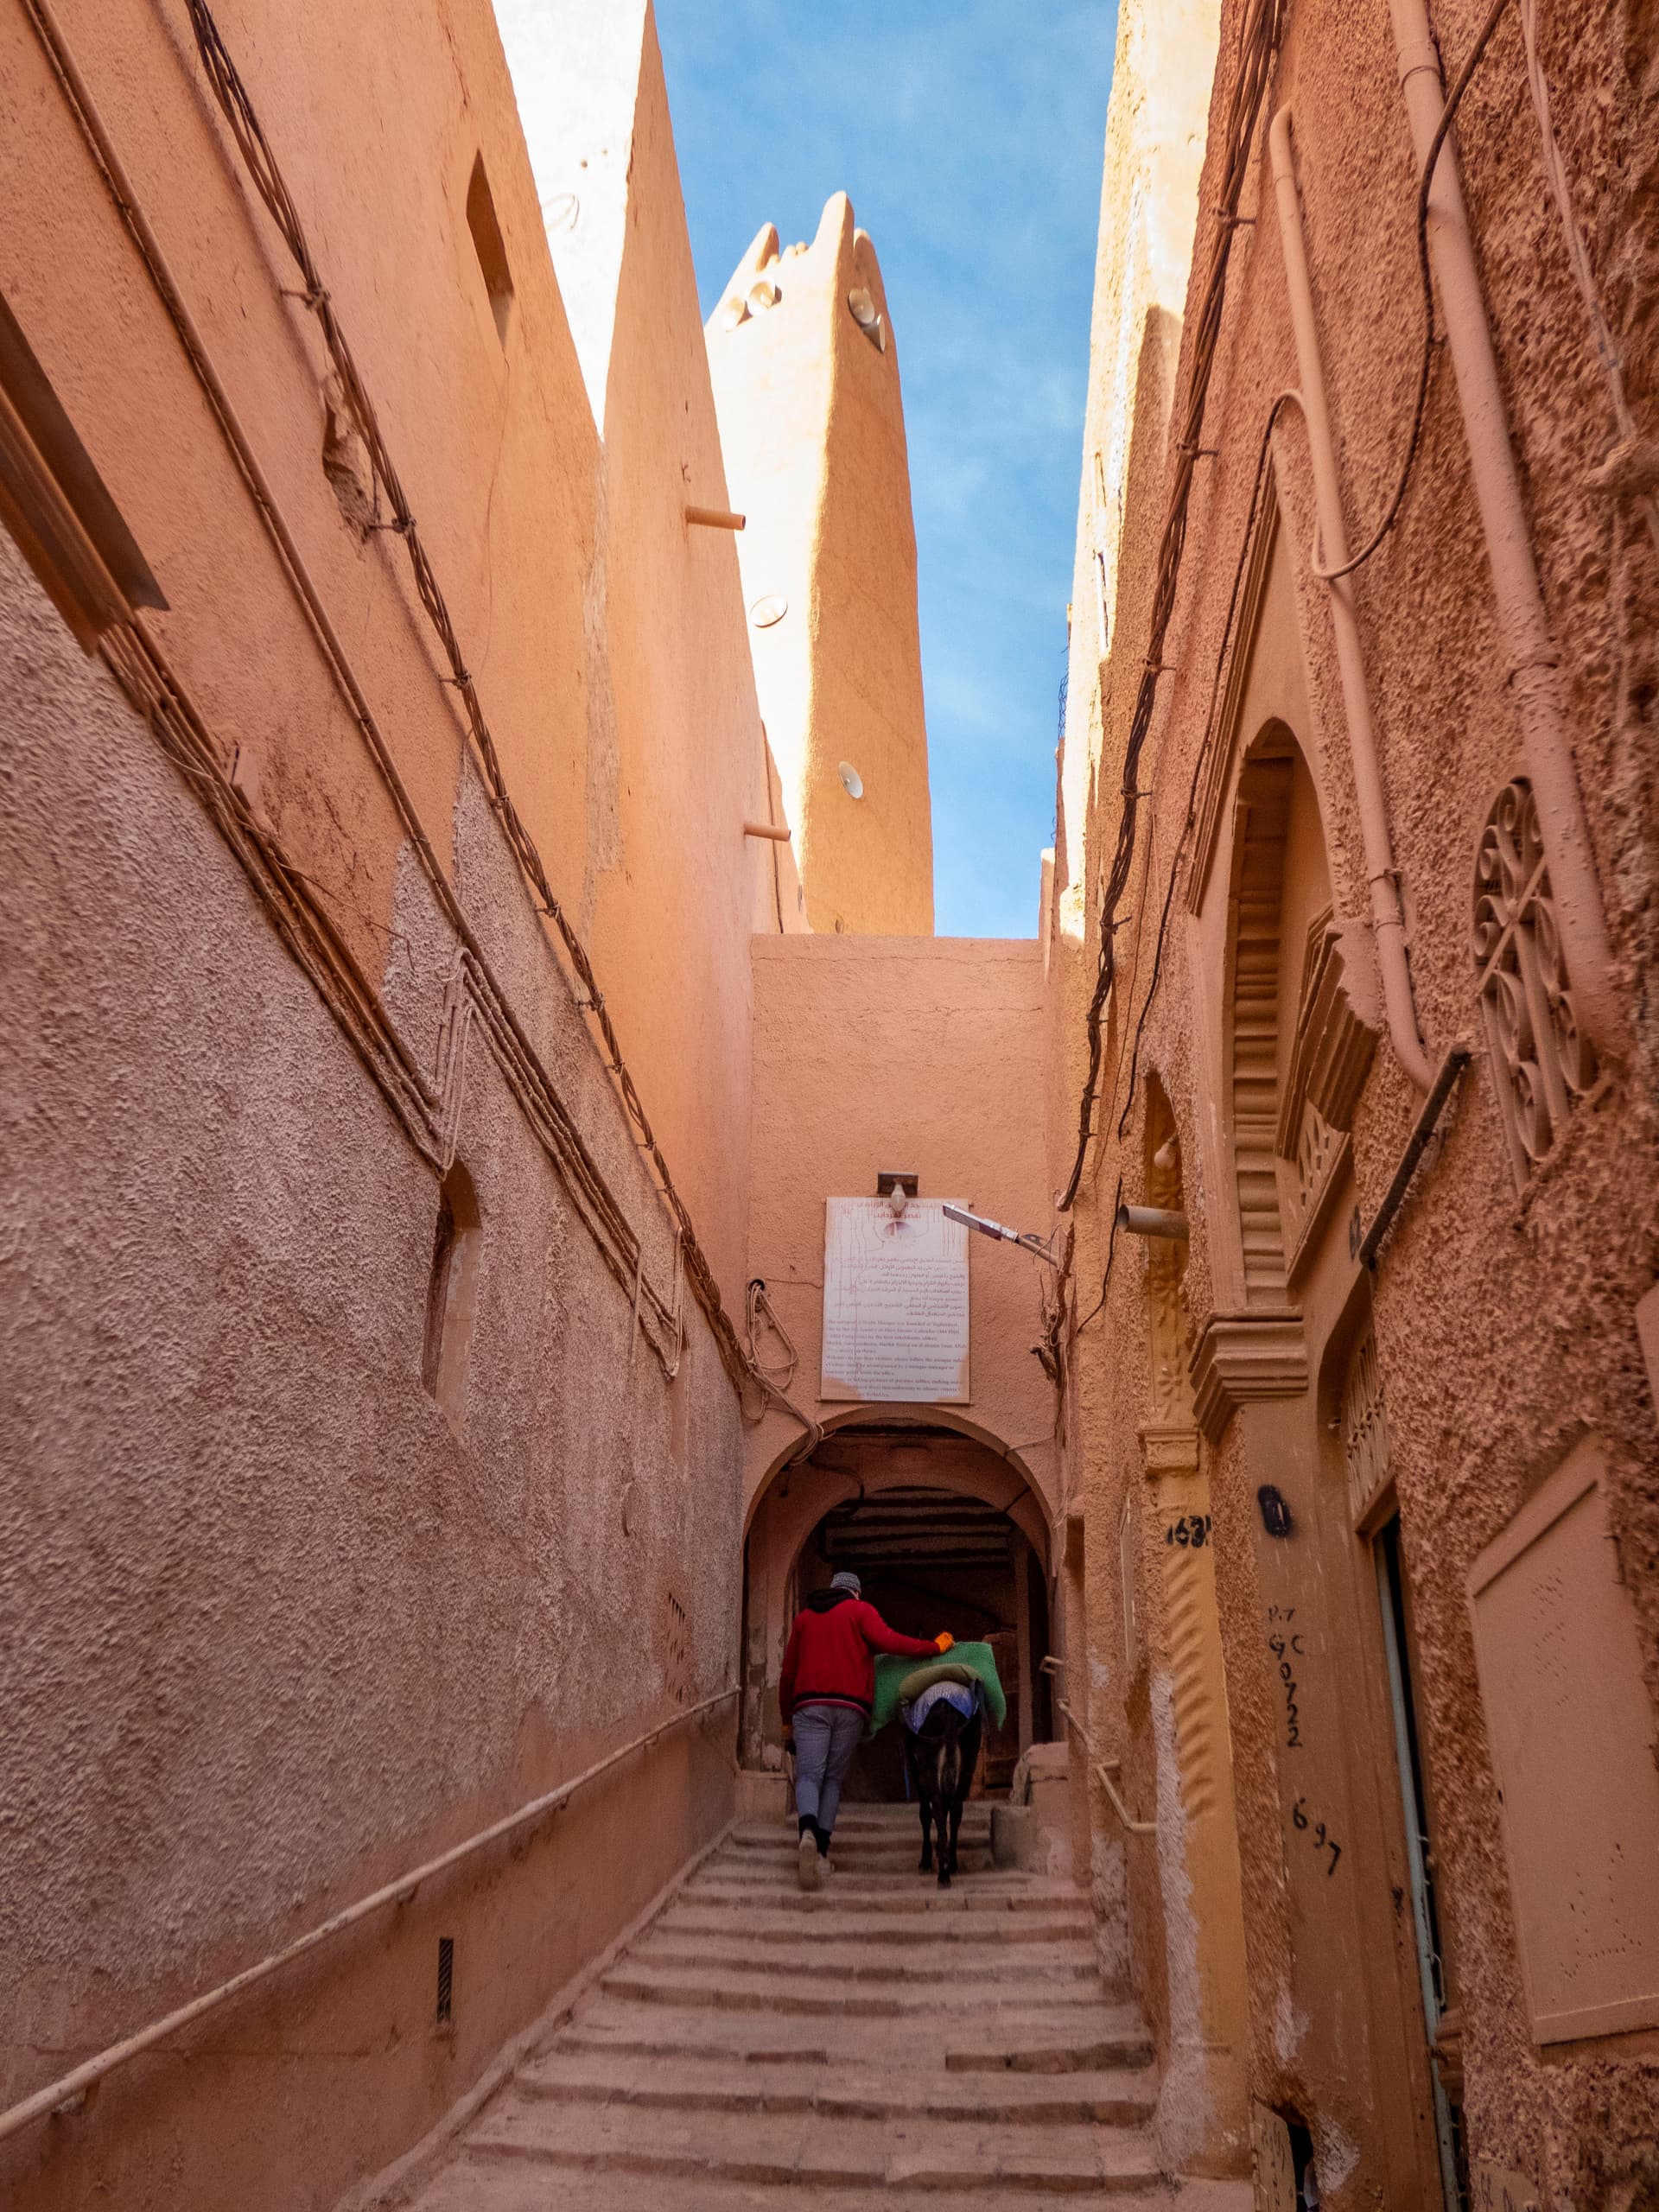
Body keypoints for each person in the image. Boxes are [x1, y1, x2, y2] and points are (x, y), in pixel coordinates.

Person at [779, 1569, 952, 1891]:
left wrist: (786, 1720)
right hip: (849, 1707)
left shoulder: (804, 1619)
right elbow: (891, 1641)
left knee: (808, 1775)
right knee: (832, 1779)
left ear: (832, 1589)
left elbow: (788, 1673)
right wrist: (933, 1647)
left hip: (808, 1705)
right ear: (855, 1592)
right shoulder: (861, 1611)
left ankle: (806, 1832)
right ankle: (822, 1854)